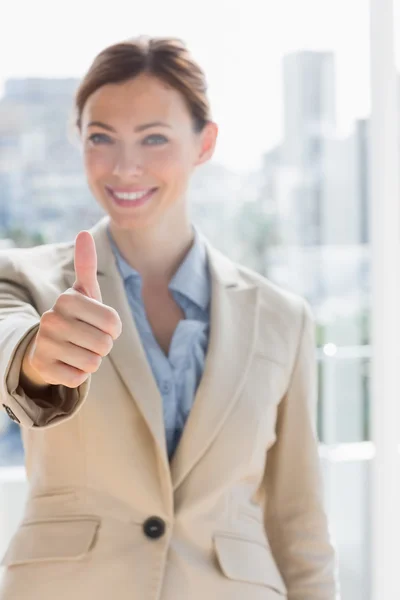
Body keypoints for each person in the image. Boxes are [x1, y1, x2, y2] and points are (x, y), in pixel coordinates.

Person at [0, 36, 339, 600]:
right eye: (100, 138)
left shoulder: (283, 318)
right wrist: (36, 357)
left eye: (154, 138)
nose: (125, 166)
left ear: (204, 144)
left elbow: (298, 524)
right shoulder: (26, 279)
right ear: (78, 139)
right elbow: (8, 345)